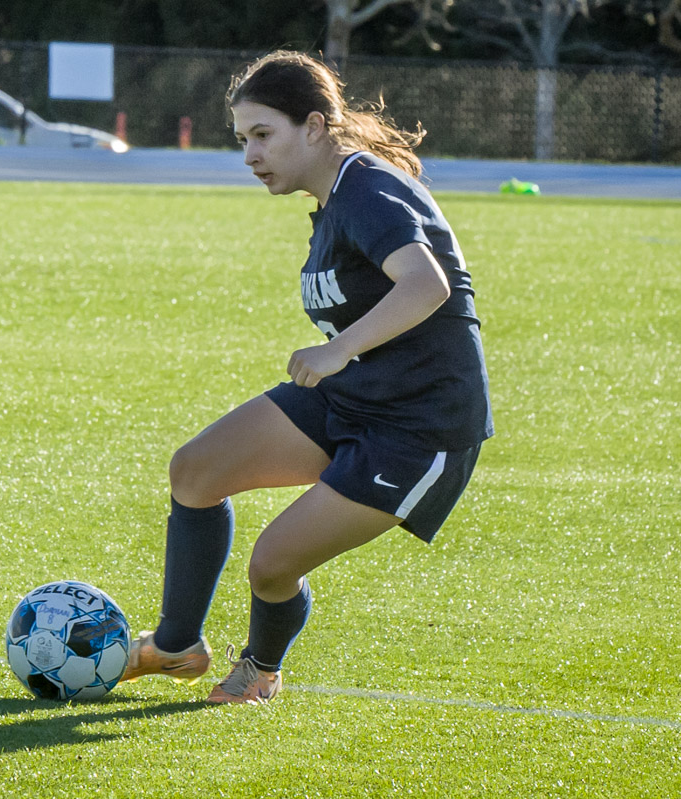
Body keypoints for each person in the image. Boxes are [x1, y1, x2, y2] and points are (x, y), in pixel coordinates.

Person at [121, 50, 494, 704]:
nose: (249, 155)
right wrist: (343, 361)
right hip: (357, 398)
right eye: (243, 140)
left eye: (263, 135)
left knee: (272, 563)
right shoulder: (332, 198)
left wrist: (336, 351)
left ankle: (261, 669)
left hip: (419, 426)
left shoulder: (368, 188)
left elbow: (427, 284)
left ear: (315, 127)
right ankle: (177, 645)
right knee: (196, 469)